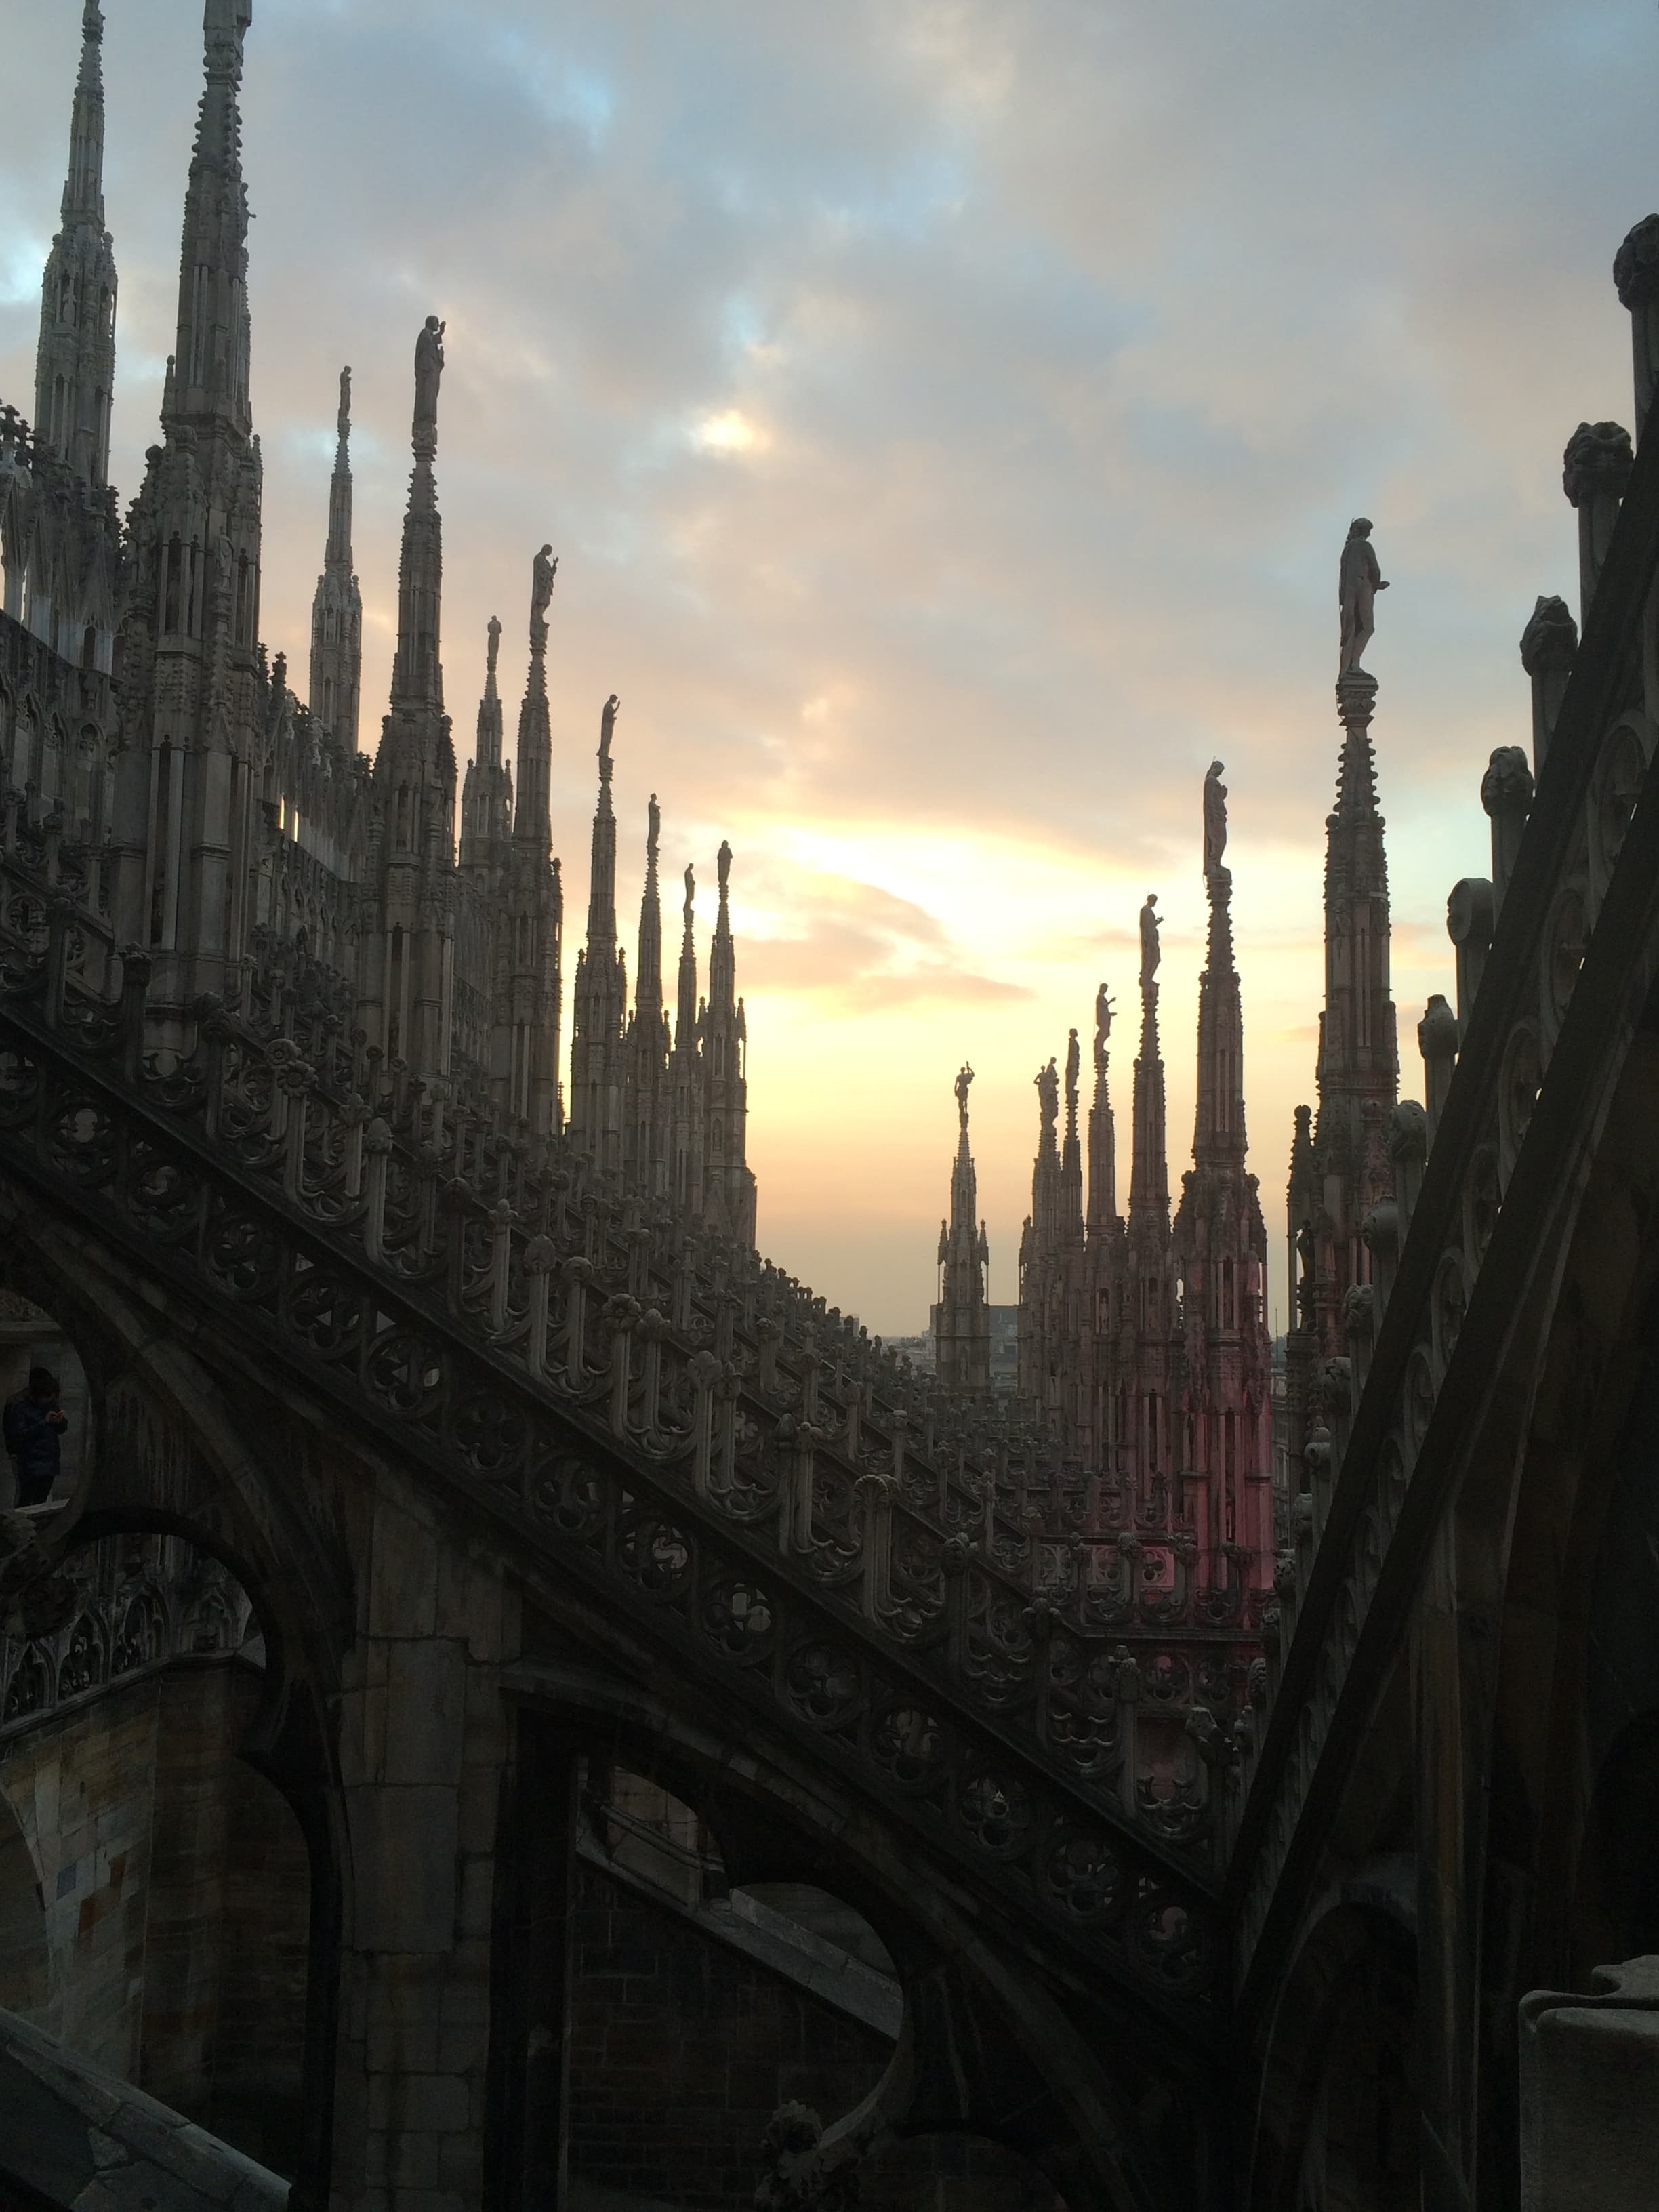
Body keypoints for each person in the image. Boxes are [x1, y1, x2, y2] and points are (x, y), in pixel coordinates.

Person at [4, 1367, 67, 1509]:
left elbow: (61, 1429)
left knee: (41, 1501)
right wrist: (44, 1422)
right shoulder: (20, 1406)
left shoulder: (51, 1404)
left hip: (49, 1460)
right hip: (29, 1460)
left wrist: (59, 1422)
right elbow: (20, 1434)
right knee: (26, 1499)